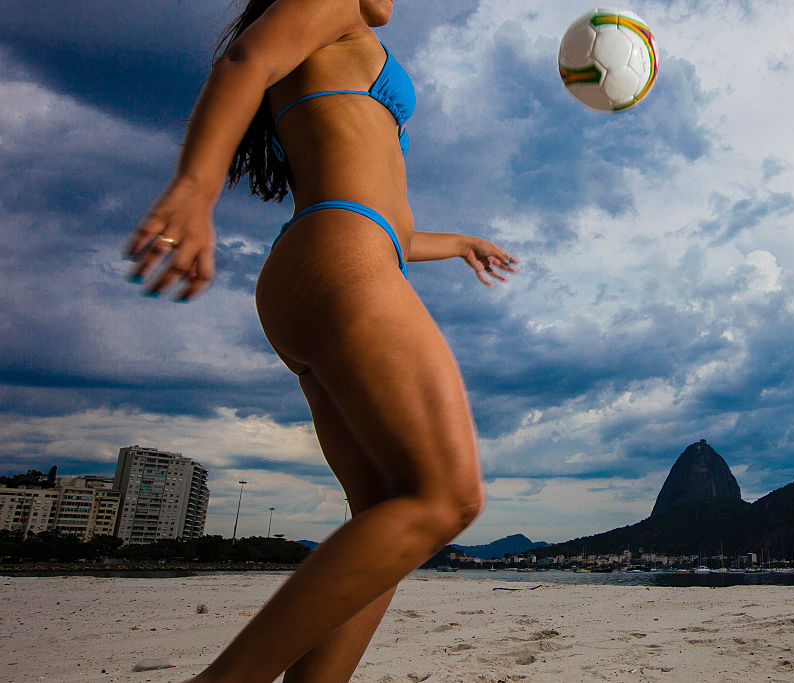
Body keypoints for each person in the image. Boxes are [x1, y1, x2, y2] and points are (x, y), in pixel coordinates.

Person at [123, 1, 518, 680]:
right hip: (343, 257)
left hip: (331, 258)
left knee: (386, 519)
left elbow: (380, 209)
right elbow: (245, 60)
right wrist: (194, 187)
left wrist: (456, 243)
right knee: (445, 496)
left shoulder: (342, 39)